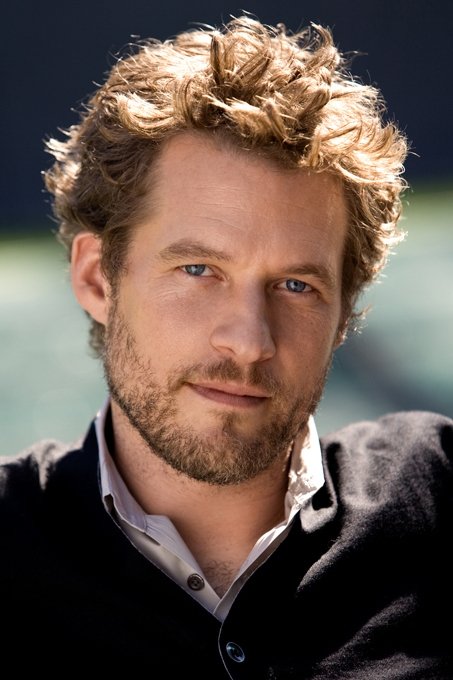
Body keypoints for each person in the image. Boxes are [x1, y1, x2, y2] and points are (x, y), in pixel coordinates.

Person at [1, 14, 452, 678]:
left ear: (344, 313)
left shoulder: (436, 491)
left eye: (296, 285)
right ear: (97, 278)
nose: (248, 340)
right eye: (198, 270)